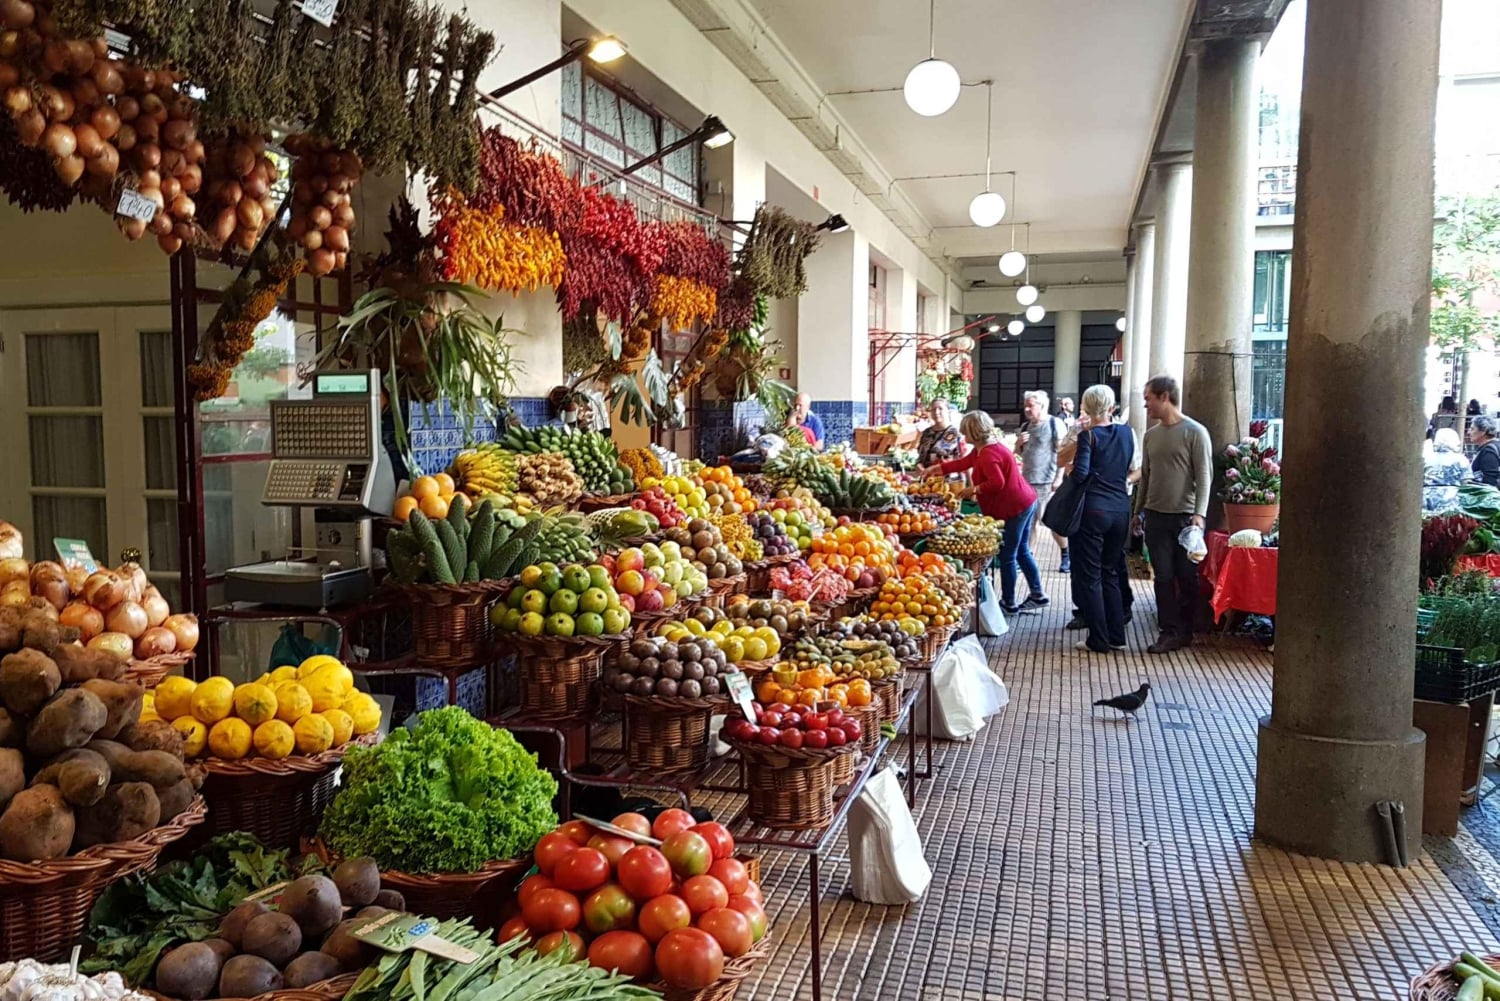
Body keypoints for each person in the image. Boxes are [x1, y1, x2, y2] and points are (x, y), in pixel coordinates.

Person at [921, 411, 1046, 615]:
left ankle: (1009, 602)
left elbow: (997, 483)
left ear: (974, 432)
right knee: (1022, 550)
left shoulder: (988, 454)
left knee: (1008, 555)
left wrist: (973, 490)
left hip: (1014, 507)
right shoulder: (984, 449)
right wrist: (937, 469)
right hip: (1024, 501)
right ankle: (1038, 594)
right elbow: (965, 463)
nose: (963, 436)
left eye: (966, 432)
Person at [1135, 375, 1213, 654]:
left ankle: (1186, 629)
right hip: (1155, 515)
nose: (1146, 405)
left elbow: (1204, 476)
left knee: (1187, 575)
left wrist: (1199, 515)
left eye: (1148, 399)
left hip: (1184, 518)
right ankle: (1168, 630)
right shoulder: (1150, 435)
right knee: (1163, 576)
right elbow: (1146, 476)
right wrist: (1138, 510)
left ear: (1164, 396)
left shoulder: (1195, 432)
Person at [1067, 385, 1134, 653]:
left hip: (1094, 511)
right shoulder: (1127, 433)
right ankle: (1117, 636)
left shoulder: (1088, 436)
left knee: (1091, 576)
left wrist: (1073, 471)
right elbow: (1129, 467)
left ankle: (1098, 638)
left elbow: (1081, 473)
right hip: (1121, 510)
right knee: (1111, 572)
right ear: (1111, 405)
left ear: (1085, 407)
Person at [1016, 391, 1070, 571]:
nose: (1027, 409)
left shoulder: (1055, 424)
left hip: (1047, 482)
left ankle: (1065, 553)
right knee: (1028, 522)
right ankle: (1026, 558)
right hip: (1027, 481)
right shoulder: (1025, 427)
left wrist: (1058, 478)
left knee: (1050, 520)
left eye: (1031, 405)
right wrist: (1018, 444)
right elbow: (1021, 454)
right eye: (1026, 405)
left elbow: (1061, 453)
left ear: (1042, 406)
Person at [1424, 427, 1473, 512]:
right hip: (1451, 500)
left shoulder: (1426, 459)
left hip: (1426, 499)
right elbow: (1466, 483)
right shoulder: (1461, 460)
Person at [916, 397, 966, 468]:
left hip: (950, 477)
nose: (936, 412)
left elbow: (964, 459)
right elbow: (920, 457)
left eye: (940, 409)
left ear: (947, 411)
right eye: (933, 409)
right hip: (928, 477)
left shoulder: (956, 434)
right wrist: (919, 466)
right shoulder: (926, 433)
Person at [1471, 415, 1500, 487]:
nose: (1468, 432)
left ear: (1483, 431)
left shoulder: (1489, 451)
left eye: (1472, 429)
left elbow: (1490, 481)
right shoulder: (1493, 446)